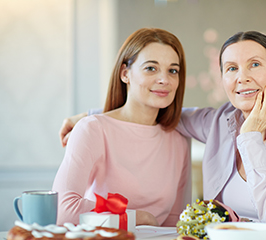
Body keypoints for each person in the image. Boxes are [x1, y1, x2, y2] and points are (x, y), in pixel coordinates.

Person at [59, 31, 266, 237]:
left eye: (254, 64)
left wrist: (251, 136)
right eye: (231, 68)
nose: (242, 77)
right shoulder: (218, 122)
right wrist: (91, 116)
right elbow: (153, 107)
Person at [52, 27, 192, 227]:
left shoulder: (178, 141)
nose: (164, 80)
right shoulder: (92, 129)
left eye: (173, 70)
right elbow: (63, 210)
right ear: (125, 73)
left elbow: (175, 224)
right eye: (151, 68)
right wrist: (140, 218)